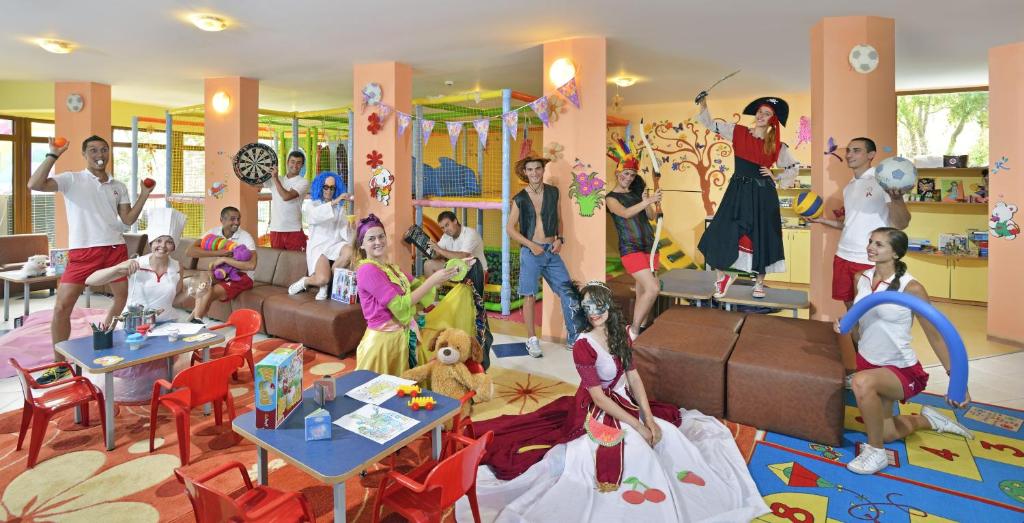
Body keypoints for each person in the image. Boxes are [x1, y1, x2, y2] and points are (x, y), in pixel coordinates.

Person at [463, 282, 769, 521]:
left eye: (598, 305)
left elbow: (633, 377)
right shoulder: (583, 345)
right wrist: (637, 425)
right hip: (595, 408)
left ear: (609, 305)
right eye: (588, 307)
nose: (594, 312)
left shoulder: (622, 333)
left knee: (668, 436)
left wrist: (649, 418)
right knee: (632, 446)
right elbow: (597, 396)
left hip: (623, 399)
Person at [838, 227, 973, 475]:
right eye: (870, 242)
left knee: (861, 382)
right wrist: (844, 324)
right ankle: (928, 419)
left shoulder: (912, 288)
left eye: (879, 244)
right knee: (887, 432)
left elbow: (936, 336)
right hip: (868, 362)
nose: (870, 247)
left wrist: (958, 380)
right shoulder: (861, 278)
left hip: (899, 368)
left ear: (896, 253)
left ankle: (876, 453)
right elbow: (859, 321)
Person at [27, 135, 153, 384]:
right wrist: (53, 154)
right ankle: (60, 365)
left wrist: (145, 194)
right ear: (84, 154)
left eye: (104, 149)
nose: (100, 154)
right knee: (62, 307)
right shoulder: (72, 179)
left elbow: (127, 220)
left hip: (115, 248)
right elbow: (35, 184)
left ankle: (103, 337)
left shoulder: (118, 186)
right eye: (93, 150)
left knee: (121, 298)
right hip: (83, 252)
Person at [696, 96, 800, 299]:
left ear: (772, 119)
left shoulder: (777, 145)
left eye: (767, 114)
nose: (761, 116)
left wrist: (775, 176)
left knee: (762, 235)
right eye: (760, 112)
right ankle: (723, 276)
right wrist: (703, 105)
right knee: (719, 230)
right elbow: (710, 124)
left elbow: (794, 167)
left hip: (763, 194)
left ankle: (759, 283)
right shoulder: (738, 132)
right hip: (737, 191)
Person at [85, 208, 188, 401]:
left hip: (165, 326)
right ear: (151, 242)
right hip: (135, 326)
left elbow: (174, 299)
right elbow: (90, 280)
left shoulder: (177, 267)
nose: (162, 246)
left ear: (174, 245)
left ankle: (157, 390)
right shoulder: (136, 264)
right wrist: (119, 268)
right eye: (158, 241)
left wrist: (192, 293)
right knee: (135, 377)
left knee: (163, 374)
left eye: (168, 241)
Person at [351, 214, 465, 376]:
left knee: (403, 385)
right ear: (361, 244)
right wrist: (433, 280)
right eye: (371, 239)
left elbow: (417, 285)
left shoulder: (390, 268)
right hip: (382, 344)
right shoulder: (367, 270)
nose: (378, 241)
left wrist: (454, 270)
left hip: (400, 338)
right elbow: (400, 304)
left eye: (381, 236)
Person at [807, 138, 911, 309]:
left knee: (870, 309)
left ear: (871, 155)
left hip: (867, 258)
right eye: (848, 150)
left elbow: (902, 224)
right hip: (843, 255)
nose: (849, 155)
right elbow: (850, 224)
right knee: (850, 307)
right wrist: (822, 220)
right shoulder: (849, 187)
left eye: (856, 150)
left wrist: (897, 199)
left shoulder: (883, 181)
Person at [506, 156, 580, 357]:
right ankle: (532, 340)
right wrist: (531, 245)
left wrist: (560, 239)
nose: (534, 173)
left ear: (543, 169)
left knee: (568, 292)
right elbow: (510, 229)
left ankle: (574, 337)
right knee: (529, 296)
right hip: (531, 252)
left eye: (537, 168)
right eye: (530, 170)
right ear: (525, 172)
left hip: (551, 251)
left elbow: (559, 219)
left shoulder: (553, 192)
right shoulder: (520, 198)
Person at [605, 138, 662, 341]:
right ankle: (634, 331)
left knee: (643, 292)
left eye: (632, 174)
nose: (628, 178)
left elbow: (651, 216)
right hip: (631, 249)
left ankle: (641, 331)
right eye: (625, 173)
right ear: (617, 173)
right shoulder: (611, 198)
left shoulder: (636, 194)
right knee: (653, 288)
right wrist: (647, 200)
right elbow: (625, 213)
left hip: (650, 247)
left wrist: (648, 201)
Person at [288, 172, 355, 300]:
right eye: (326, 187)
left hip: (335, 244)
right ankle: (307, 281)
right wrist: (335, 202)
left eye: (332, 188)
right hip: (319, 246)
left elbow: (343, 231)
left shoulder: (340, 209)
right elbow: (313, 217)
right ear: (320, 187)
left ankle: (329, 280)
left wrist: (350, 228)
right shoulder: (312, 204)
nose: (329, 190)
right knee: (322, 279)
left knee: (350, 251)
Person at [186, 206, 258, 322]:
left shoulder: (245, 237)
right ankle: (195, 320)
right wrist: (219, 253)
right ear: (222, 220)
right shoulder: (213, 232)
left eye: (238, 219)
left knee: (209, 292)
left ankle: (193, 320)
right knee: (204, 278)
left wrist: (224, 260)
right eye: (232, 219)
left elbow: (251, 265)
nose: (237, 222)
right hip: (220, 273)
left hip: (241, 277)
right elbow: (190, 251)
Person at [424, 211, 487, 297]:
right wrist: (427, 249)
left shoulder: (470, 234)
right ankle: (434, 301)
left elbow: (463, 256)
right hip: (457, 270)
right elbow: (437, 254)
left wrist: (439, 249)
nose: (445, 230)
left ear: (455, 221)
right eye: (442, 228)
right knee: (428, 264)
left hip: (476, 272)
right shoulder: (446, 236)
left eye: (447, 225)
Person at [265, 150, 309, 251]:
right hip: (275, 229)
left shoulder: (303, 182)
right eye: (292, 162)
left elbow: (286, 197)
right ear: (287, 162)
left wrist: (275, 178)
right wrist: (241, 168)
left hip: (294, 229)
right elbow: (254, 184)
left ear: (302, 165)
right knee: (277, 260)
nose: (295, 165)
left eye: (298, 163)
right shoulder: (276, 179)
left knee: (296, 260)